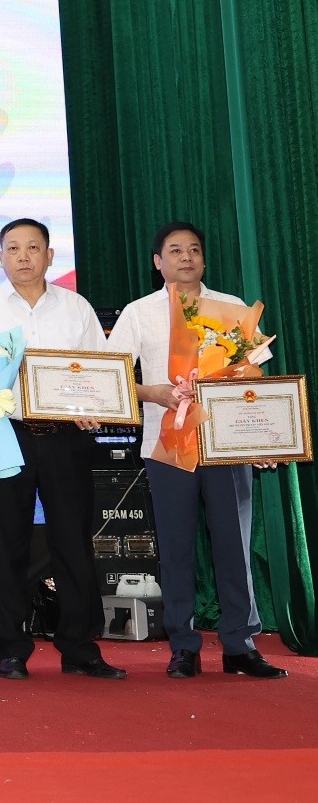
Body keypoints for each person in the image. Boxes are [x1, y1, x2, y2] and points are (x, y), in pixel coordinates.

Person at [105, 222, 286, 680]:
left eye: (194, 250)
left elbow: (254, 379)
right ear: (158, 262)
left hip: (226, 444)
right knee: (176, 548)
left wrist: (263, 437)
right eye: (175, 250)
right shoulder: (139, 312)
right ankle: (183, 646)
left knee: (234, 546)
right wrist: (154, 393)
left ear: (203, 259)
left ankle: (240, 644)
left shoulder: (232, 307)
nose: (186, 257)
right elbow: (112, 376)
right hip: (166, 443)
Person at [0, 218, 125, 680]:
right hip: (4, 433)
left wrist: (94, 407)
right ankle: (11, 648)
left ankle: (80, 647)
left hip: (66, 438)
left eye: (33, 247)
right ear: (1, 258)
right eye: (13, 248)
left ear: (50, 255)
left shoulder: (75, 307)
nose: (24, 256)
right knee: (5, 542)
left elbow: (100, 370)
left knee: (72, 541)